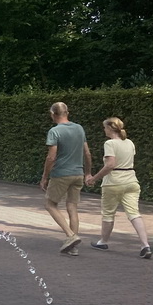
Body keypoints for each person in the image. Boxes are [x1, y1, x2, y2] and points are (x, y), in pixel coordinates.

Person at [84, 117, 152, 259]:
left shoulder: (110, 143)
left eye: (104, 127)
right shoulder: (130, 143)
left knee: (108, 214)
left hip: (113, 182)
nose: (104, 130)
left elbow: (110, 165)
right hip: (132, 181)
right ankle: (145, 245)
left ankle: (103, 242)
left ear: (110, 128)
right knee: (134, 213)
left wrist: (93, 178)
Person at [39, 102, 91, 256]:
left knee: (49, 204)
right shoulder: (79, 128)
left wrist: (44, 177)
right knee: (72, 207)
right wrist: (87, 172)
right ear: (67, 112)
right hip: (78, 173)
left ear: (53, 114)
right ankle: (73, 248)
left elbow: (51, 157)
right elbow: (87, 153)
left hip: (61, 174)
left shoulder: (55, 131)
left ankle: (71, 236)